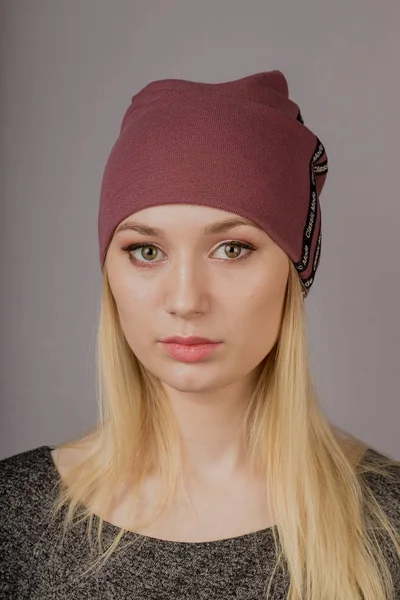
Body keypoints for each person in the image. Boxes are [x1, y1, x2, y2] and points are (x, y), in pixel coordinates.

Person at [0, 69, 399, 600]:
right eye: (146, 251)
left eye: (232, 248)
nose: (186, 299)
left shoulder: (387, 523)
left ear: (293, 270)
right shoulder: (15, 517)